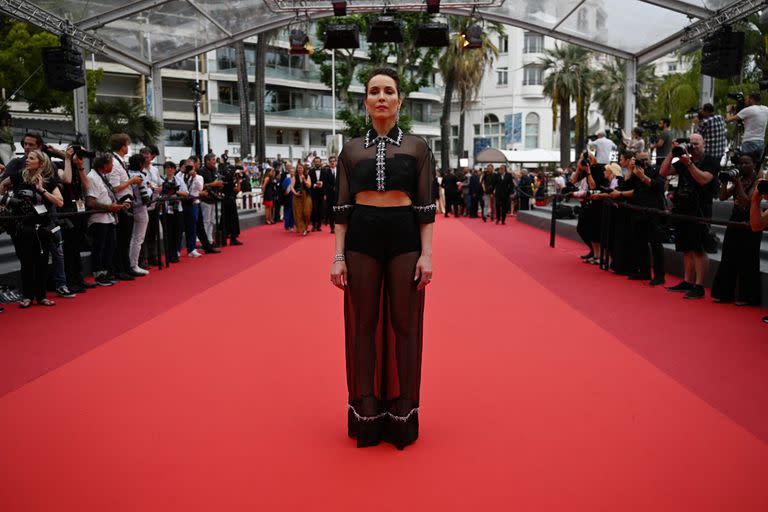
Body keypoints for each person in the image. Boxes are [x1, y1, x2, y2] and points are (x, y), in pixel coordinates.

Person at [330, 67, 435, 450]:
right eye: (374, 91)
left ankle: (402, 414)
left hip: (405, 237)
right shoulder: (351, 150)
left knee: (405, 325)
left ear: (399, 100)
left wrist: (427, 255)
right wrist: (337, 256)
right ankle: (368, 414)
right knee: (363, 325)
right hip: (362, 237)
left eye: (388, 91)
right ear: (365, 101)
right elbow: (341, 210)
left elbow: (425, 208)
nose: (381, 97)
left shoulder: (419, 148)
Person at [0, 150, 64, 307]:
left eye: (31, 158)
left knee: (42, 262)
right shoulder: (18, 176)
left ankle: (41, 296)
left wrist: (42, 190)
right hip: (22, 227)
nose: (27, 160)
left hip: (42, 228)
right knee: (26, 263)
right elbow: (2, 185)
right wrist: (4, 203)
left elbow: (60, 202)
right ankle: (27, 297)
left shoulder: (49, 181)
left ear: (41, 163)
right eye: (27, 158)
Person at [660, 134, 719, 299]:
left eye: (696, 143)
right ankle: (687, 281)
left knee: (698, 248)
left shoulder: (711, 161)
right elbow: (663, 172)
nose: (694, 146)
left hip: (701, 208)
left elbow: (703, 179)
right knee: (686, 247)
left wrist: (689, 163)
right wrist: (673, 152)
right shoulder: (683, 161)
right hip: (683, 208)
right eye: (691, 144)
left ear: (704, 143)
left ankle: (699, 286)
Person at [711, 153, 762, 306]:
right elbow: (722, 197)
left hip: (751, 223)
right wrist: (723, 182)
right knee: (728, 257)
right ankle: (725, 294)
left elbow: (747, 201)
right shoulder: (739, 179)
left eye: (747, 163)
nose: (744, 166)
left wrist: (738, 183)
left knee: (748, 260)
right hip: (735, 222)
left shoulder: (758, 181)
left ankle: (747, 297)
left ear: (754, 164)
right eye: (742, 163)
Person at [85, 156, 126, 286]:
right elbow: (90, 202)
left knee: (110, 247)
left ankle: (107, 272)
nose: (113, 167)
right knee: (99, 248)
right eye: (111, 164)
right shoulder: (92, 177)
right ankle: (99, 274)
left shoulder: (102, 176)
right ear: (103, 165)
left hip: (108, 218)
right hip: (98, 219)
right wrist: (109, 207)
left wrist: (115, 206)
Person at [108, 133, 141, 281]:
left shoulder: (119, 161)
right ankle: (120, 269)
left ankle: (126, 267)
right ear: (122, 147)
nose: (128, 147)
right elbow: (115, 187)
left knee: (125, 239)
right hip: (121, 205)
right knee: (122, 240)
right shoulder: (115, 163)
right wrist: (131, 181)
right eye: (127, 145)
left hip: (126, 203)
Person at [127, 153, 151, 277]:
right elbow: (146, 196)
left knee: (132, 238)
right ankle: (134, 265)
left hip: (130, 208)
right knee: (138, 239)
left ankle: (132, 264)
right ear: (141, 164)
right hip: (140, 208)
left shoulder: (127, 174)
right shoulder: (140, 175)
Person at [727, 92, 768, 162]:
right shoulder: (766, 109)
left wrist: (728, 111)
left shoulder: (748, 110)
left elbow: (728, 120)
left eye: (747, 99)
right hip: (761, 142)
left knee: (746, 166)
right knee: (756, 167)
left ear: (751, 100)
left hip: (749, 142)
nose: (745, 101)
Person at [183, 161, 205, 258]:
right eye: (187, 166)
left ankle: (192, 249)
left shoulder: (199, 177)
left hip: (193, 203)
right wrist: (182, 171)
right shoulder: (181, 175)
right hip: (182, 203)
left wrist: (194, 176)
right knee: (182, 228)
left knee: (192, 227)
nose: (189, 168)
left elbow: (200, 188)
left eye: (191, 166)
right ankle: (179, 250)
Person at [291, 161, 312, 236]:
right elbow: (291, 187)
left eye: (301, 168)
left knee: (306, 213)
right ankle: (303, 229)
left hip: (306, 197)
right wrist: (295, 193)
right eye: (298, 168)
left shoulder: (307, 176)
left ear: (303, 169)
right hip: (297, 197)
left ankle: (306, 227)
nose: (299, 169)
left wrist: (304, 180)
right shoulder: (294, 177)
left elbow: (309, 186)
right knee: (298, 213)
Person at [309, 156, 327, 231]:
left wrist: (322, 183)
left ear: (320, 162)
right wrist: (315, 184)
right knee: (314, 209)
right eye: (316, 162)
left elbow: (326, 182)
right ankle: (313, 225)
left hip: (321, 193)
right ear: (314, 163)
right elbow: (309, 182)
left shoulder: (324, 171)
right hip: (313, 193)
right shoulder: (310, 171)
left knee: (320, 209)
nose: (317, 163)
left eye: (318, 162)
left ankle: (319, 225)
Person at [281, 162, 295, 232]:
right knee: (287, 212)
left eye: (293, 171)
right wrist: (285, 192)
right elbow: (283, 187)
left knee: (293, 212)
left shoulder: (295, 179)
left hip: (294, 197)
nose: (292, 173)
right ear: (289, 172)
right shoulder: (286, 179)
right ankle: (287, 226)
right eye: (291, 171)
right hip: (287, 198)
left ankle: (292, 225)